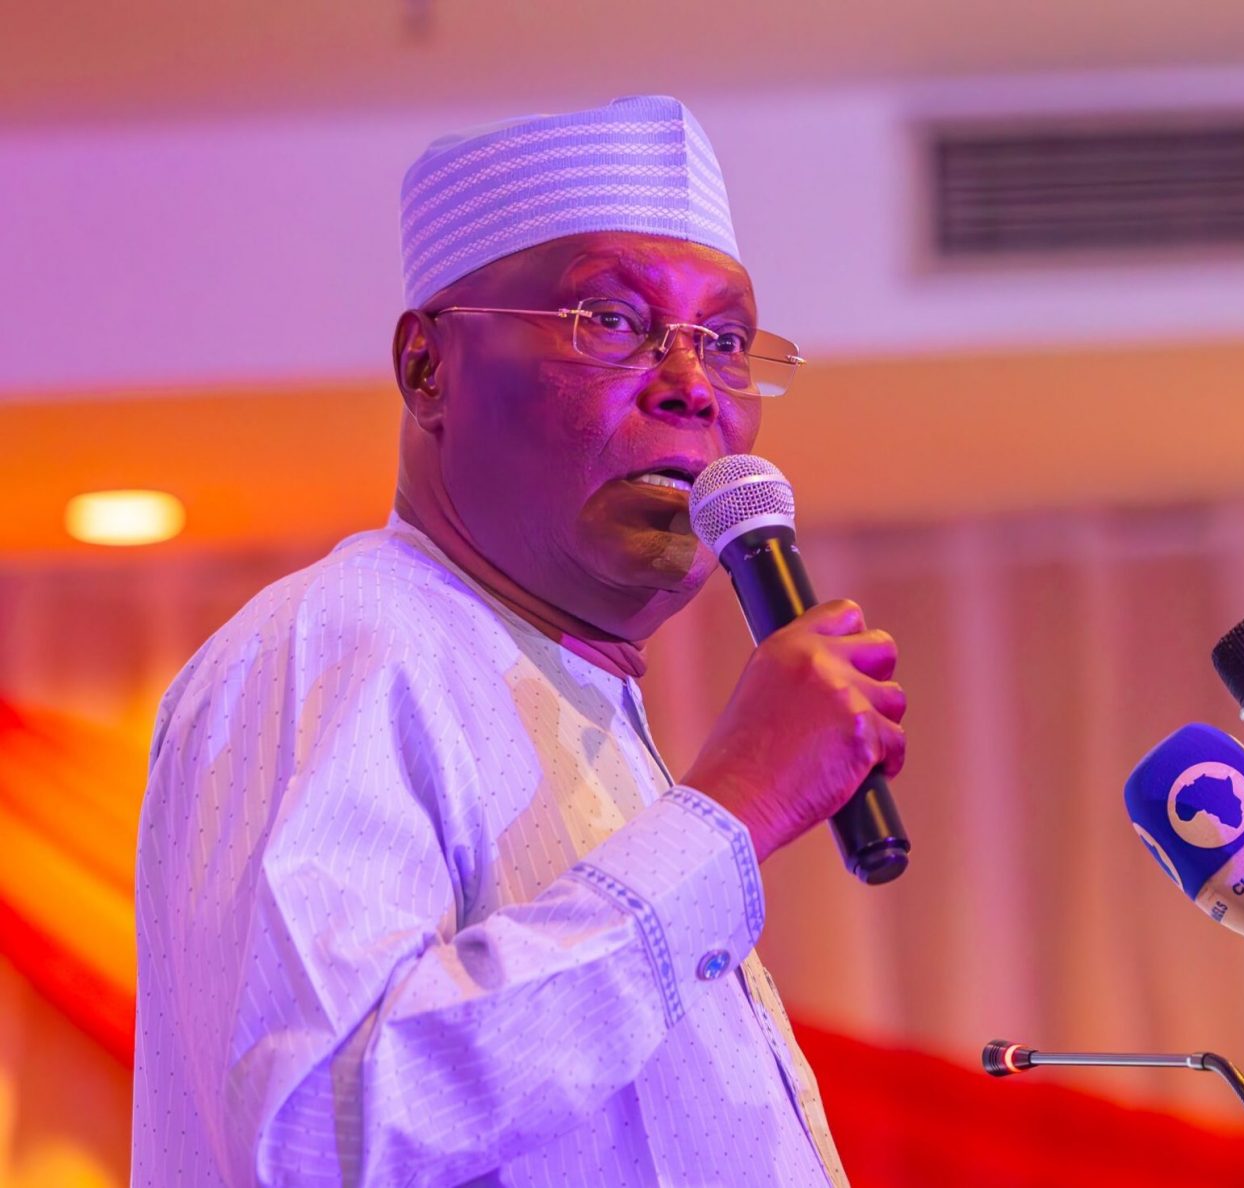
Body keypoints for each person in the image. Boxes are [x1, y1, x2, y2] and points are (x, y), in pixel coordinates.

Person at [131, 95, 905, 1186]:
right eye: (613, 320)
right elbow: (318, 1136)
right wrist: (733, 807)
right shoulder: (337, 642)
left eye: (726, 342)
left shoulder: (581, 706)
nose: (693, 385)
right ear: (427, 370)